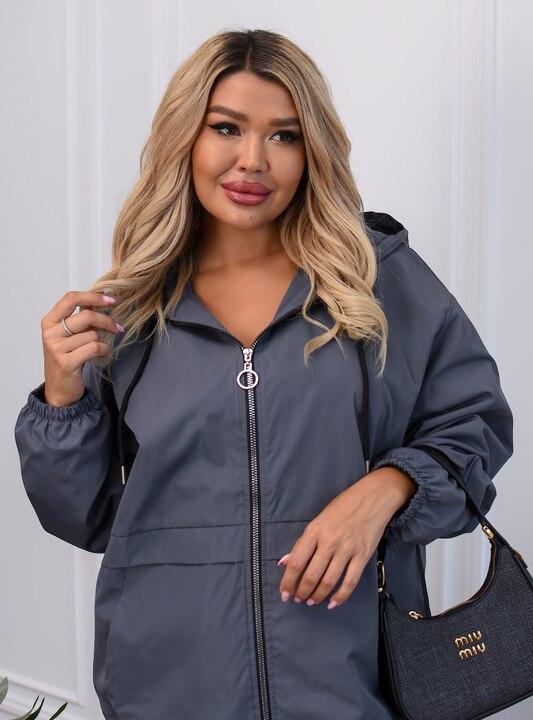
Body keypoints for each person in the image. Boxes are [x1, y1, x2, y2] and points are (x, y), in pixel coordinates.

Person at [14, 28, 513, 720]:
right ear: (185, 138)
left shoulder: (375, 282)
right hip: (165, 689)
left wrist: (384, 489)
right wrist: (63, 396)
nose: (253, 159)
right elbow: (85, 516)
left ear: (312, 152)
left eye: (284, 136)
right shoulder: (131, 310)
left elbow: (475, 427)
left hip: (352, 687)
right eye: (226, 128)